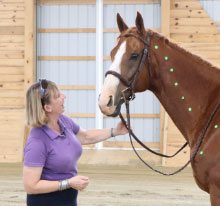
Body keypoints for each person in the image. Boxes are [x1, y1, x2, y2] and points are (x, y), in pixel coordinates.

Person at [23, 79, 128, 206]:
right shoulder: (37, 141)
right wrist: (68, 183)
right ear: (47, 107)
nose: (64, 96)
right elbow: (31, 186)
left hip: (68, 200)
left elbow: (85, 137)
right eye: (58, 96)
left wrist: (115, 131)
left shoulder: (63, 121)